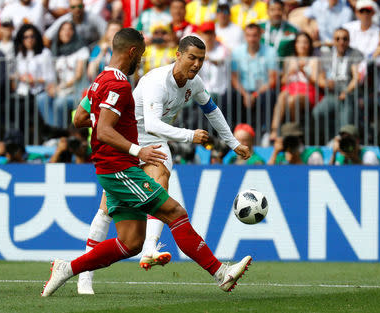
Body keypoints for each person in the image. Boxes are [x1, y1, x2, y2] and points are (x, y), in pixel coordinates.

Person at [42, 28, 252, 297]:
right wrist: (138, 148)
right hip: (123, 162)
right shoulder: (124, 84)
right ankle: (219, 272)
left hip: (125, 157)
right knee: (173, 211)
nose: (140, 61)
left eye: (201, 59)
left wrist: (233, 143)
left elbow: (81, 118)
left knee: (130, 242)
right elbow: (109, 129)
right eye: (140, 56)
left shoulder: (102, 79)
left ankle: (68, 268)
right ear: (132, 52)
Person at [312, 28, 363, 137]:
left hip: (349, 92)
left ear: (349, 40)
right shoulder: (327, 55)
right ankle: (331, 137)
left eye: (345, 39)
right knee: (318, 112)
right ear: (333, 41)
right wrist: (325, 83)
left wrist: (346, 91)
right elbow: (320, 77)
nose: (341, 42)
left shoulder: (355, 54)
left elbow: (356, 77)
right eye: (338, 39)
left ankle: (343, 138)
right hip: (332, 93)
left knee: (345, 109)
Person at [270, 32, 320, 141]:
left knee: (294, 99)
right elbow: (283, 82)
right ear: (295, 44)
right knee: (282, 96)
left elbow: (315, 82)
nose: (302, 45)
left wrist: (302, 70)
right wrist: (291, 72)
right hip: (290, 88)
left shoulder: (314, 61)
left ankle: (294, 130)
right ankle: (274, 130)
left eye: (305, 42)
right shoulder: (289, 60)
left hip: (307, 91)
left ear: (309, 45)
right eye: (299, 42)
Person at [38, 21, 89, 128]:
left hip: (78, 91)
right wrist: (51, 87)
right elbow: (55, 76)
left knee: (59, 103)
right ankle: (54, 131)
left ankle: (61, 134)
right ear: (59, 33)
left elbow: (78, 75)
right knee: (42, 98)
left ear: (74, 32)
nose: (66, 32)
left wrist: (60, 87)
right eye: (63, 29)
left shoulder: (81, 50)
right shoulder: (56, 51)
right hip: (62, 90)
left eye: (70, 29)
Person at [230, 23, 278, 131]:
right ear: (245, 36)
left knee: (269, 95)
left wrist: (255, 95)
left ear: (260, 36)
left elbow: (272, 79)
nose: (252, 39)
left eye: (255, 35)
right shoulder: (237, 52)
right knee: (229, 95)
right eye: (248, 35)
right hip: (243, 90)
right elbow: (234, 78)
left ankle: (266, 131)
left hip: (262, 90)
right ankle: (228, 132)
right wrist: (246, 94)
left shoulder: (270, 52)